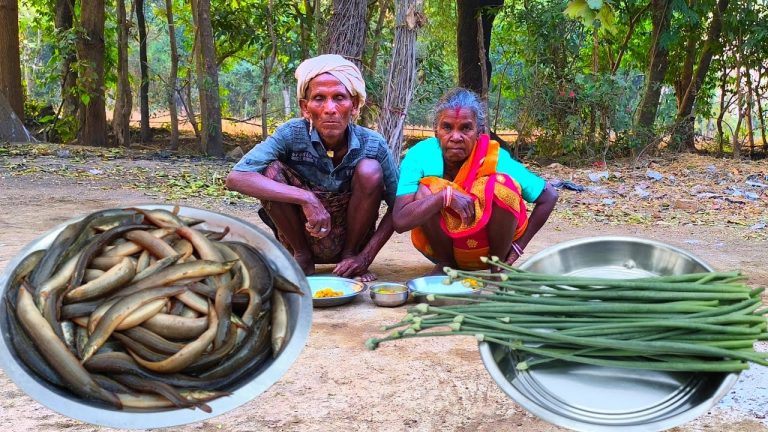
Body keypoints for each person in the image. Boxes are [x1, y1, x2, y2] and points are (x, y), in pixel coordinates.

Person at [226, 54, 398, 282]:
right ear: (305, 107)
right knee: (270, 171)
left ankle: (349, 257)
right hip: (302, 235)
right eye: (319, 99)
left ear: (354, 105)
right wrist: (306, 198)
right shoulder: (290, 134)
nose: (330, 109)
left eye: (339, 98)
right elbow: (237, 177)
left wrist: (365, 257)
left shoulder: (373, 144)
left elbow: (399, 206)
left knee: (370, 170)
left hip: (352, 242)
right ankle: (302, 257)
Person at [392, 88, 558, 273]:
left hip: (486, 252)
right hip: (441, 249)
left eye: (466, 128)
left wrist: (518, 247)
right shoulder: (419, 155)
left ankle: (497, 267)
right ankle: (446, 265)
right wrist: (444, 197)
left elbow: (549, 196)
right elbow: (400, 220)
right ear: (436, 131)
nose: (456, 137)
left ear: (479, 132)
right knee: (426, 190)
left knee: (502, 185)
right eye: (447, 127)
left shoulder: (494, 157)